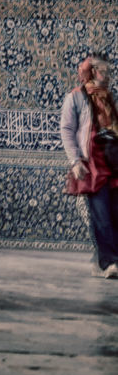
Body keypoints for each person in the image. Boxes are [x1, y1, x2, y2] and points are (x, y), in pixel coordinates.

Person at [61, 55, 118, 279]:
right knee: (101, 212)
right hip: (92, 163)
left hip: (113, 160)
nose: (109, 75)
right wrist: (75, 161)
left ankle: (103, 258)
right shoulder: (76, 97)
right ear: (93, 72)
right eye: (104, 71)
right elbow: (66, 129)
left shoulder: (110, 97)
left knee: (114, 212)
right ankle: (108, 263)